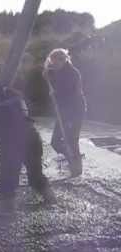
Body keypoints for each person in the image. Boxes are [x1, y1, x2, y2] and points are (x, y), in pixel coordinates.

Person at [0, 79, 56, 208]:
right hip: (32, 136)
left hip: (11, 142)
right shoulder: (14, 94)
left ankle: (6, 211)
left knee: (8, 177)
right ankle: (51, 199)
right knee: (35, 173)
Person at [43, 48, 86, 177]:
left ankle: (76, 168)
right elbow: (48, 73)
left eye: (55, 62)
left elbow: (70, 93)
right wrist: (46, 75)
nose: (53, 65)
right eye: (52, 62)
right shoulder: (57, 71)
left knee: (72, 139)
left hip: (75, 110)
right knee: (55, 141)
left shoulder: (72, 73)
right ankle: (72, 159)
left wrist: (55, 92)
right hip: (63, 111)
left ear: (63, 60)